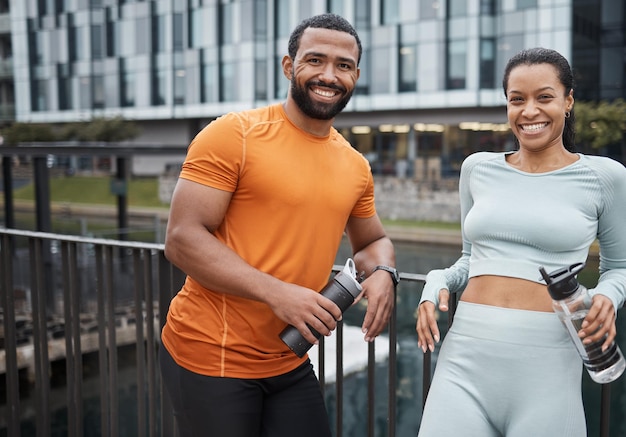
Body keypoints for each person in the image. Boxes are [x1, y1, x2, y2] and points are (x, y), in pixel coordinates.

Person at [159, 13, 397, 437]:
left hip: (289, 359)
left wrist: (383, 272)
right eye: (315, 60)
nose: (329, 75)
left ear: (355, 76)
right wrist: (277, 293)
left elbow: (373, 240)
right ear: (289, 67)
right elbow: (181, 239)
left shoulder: (355, 165)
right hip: (211, 354)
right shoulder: (234, 134)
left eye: (343, 65)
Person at [415, 47, 626, 437]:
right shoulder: (477, 168)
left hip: (548, 368)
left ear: (568, 101)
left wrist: (607, 299)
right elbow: (469, 259)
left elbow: (620, 268)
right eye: (517, 100)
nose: (529, 111)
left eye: (544, 97)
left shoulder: (605, 177)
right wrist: (437, 280)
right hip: (462, 363)